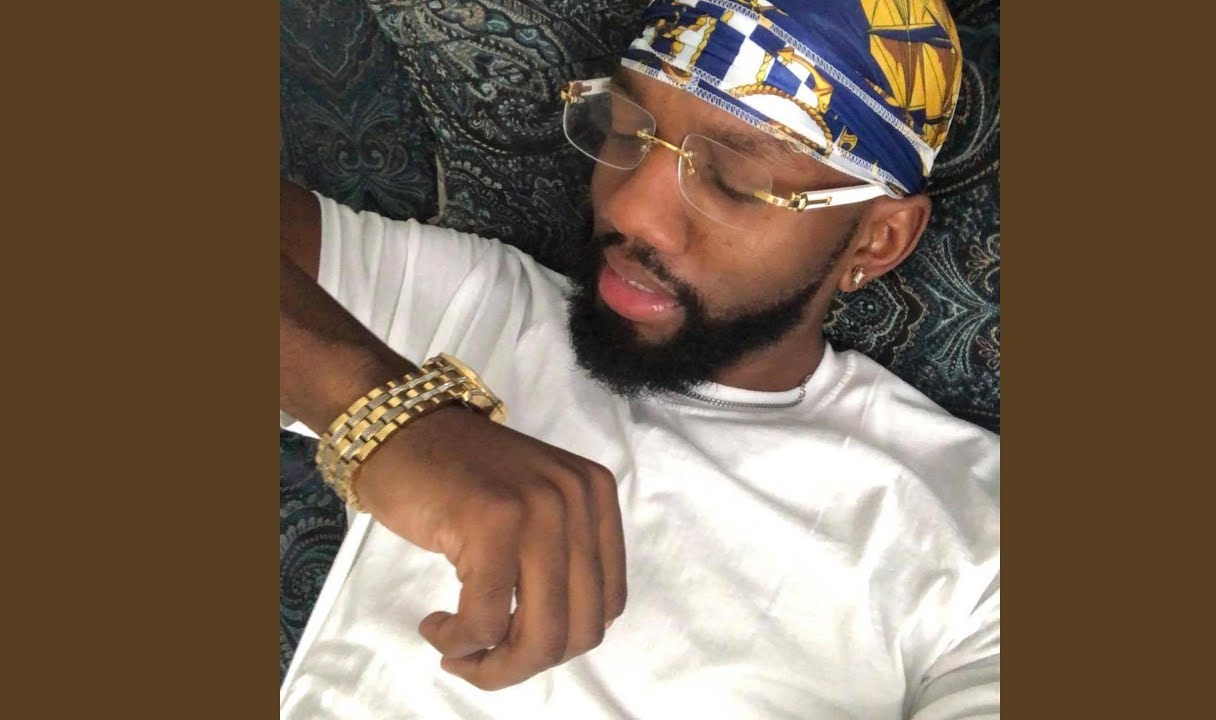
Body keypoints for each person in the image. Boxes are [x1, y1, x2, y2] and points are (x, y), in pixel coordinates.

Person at [279, 0, 998, 717]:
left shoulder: (972, 542)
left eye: (734, 181)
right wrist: (384, 417)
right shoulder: (481, 307)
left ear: (877, 238)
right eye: (627, 131)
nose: (630, 211)